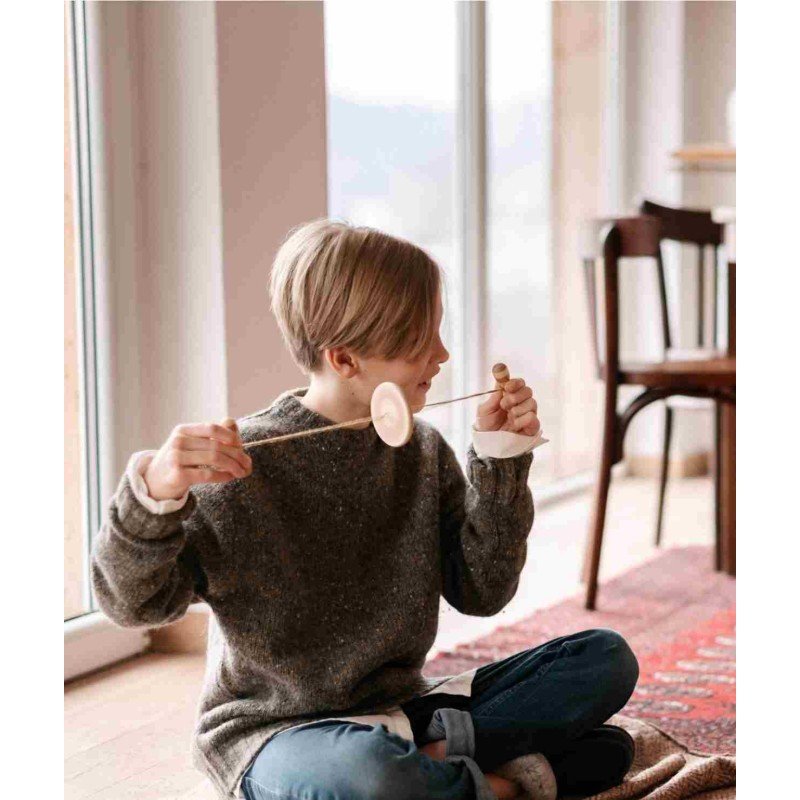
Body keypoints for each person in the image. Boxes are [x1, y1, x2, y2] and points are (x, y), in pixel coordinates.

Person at [91, 219, 639, 800]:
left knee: (604, 660)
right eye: (421, 339)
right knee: (375, 775)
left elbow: (483, 592)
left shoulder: (423, 452)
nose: (443, 354)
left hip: (406, 711)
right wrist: (153, 492)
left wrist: (502, 461)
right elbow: (130, 604)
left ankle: (435, 766)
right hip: (279, 735)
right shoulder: (238, 469)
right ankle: (495, 784)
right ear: (345, 358)